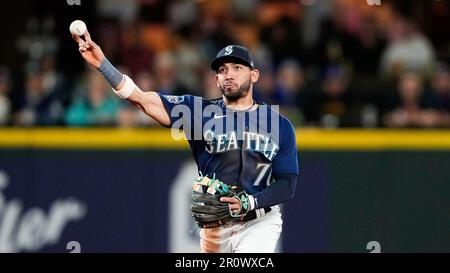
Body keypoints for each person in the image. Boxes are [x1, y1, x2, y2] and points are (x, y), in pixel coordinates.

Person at [72, 30, 299, 253]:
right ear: (216, 79)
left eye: (237, 68)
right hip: (215, 226)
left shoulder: (278, 125)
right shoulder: (199, 111)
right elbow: (142, 99)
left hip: (259, 222)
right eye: (222, 70)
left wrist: (250, 202)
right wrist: (103, 65)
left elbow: (287, 184)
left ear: (254, 75)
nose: (229, 74)